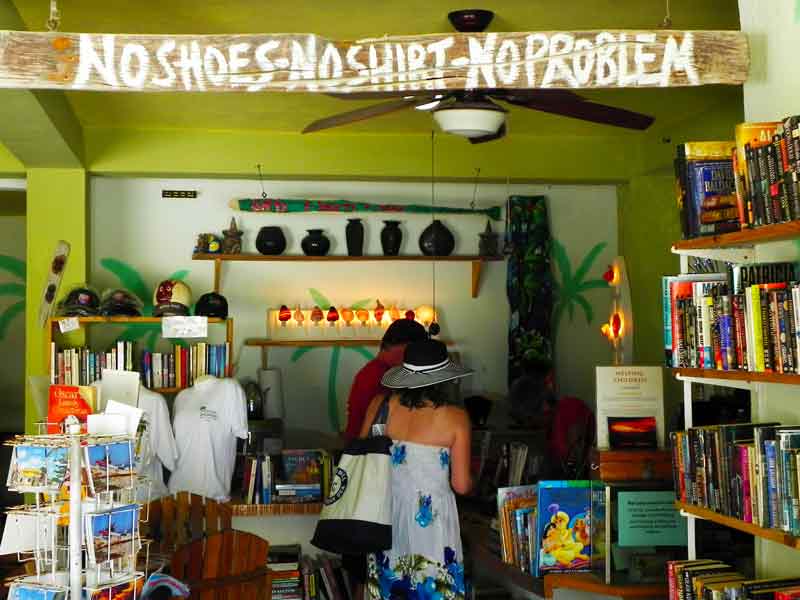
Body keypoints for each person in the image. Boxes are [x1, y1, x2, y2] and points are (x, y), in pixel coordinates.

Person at [359, 339, 473, 600]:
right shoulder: (455, 418)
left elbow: (361, 455)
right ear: (444, 377)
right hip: (431, 524)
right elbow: (462, 485)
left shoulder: (381, 405)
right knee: (433, 589)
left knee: (391, 587)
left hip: (386, 516)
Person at [344, 318, 427, 442]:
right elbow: (377, 426)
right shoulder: (379, 375)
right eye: (411, 350)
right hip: (367, 445)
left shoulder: (380, 371)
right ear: (398, 346)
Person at [508, 360, 594, 478]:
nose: (529, 425)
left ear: (543, 407)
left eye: (529, 419)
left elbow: (577, 460)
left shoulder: (569, 408)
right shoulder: (551, 430)